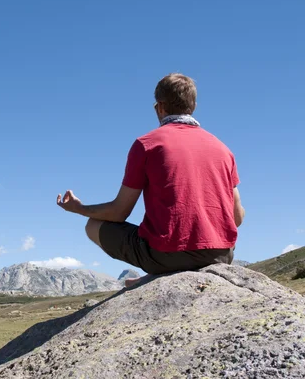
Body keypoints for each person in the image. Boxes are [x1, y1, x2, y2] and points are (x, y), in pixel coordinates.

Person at [57, 73, 245, 287]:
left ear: (160, 107)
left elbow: (119, 212)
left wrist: (79, 208)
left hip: (166, 256)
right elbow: (236, 217)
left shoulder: (147, 144)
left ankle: (158, 271)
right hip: (221, 254)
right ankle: (156, 274)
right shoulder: (222, 149)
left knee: (93, 225)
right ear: (192, 106)